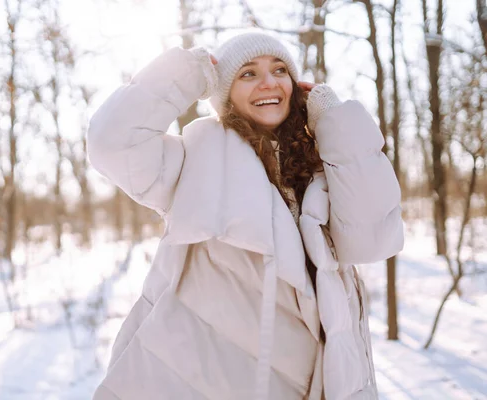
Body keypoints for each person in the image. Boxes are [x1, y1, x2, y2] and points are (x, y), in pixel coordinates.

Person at [88, 32, 404, 400]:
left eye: (280, 69)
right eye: (248, 74)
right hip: (208, 382)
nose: (269, 82)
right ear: (225, 93)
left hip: (321, 379)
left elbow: (373, 238)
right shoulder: (196, 158)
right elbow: (112, 143)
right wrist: (186, 73)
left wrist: (335, 121)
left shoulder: (322, 165)